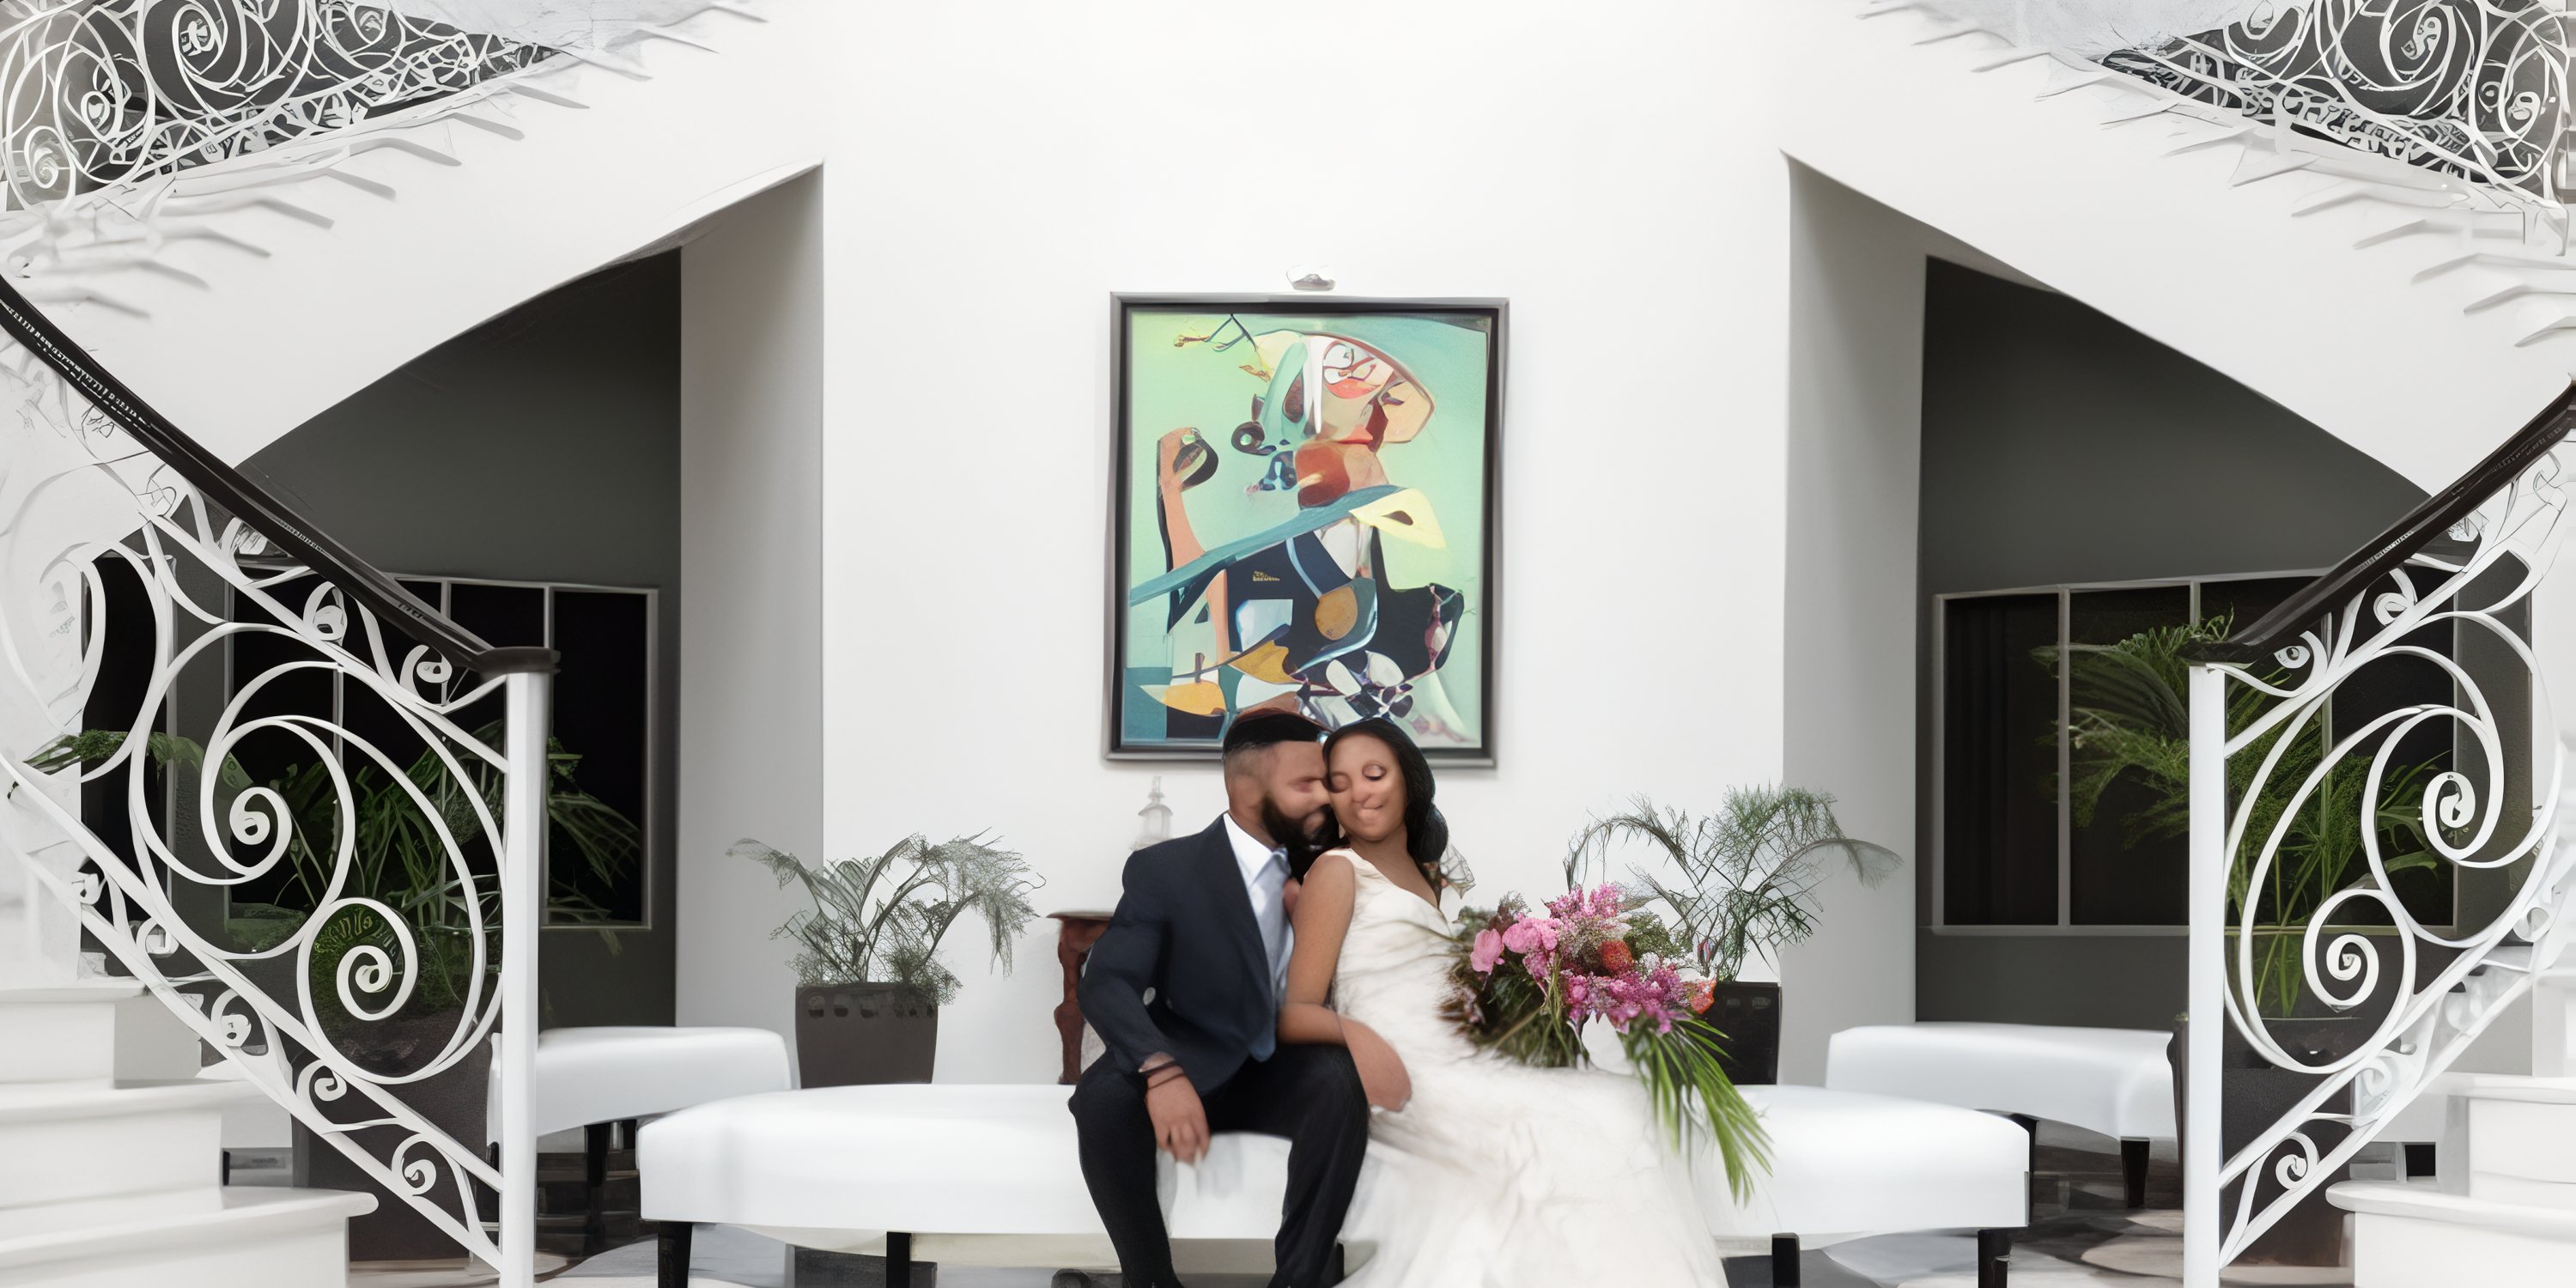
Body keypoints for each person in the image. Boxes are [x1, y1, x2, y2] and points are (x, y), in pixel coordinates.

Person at [1278, 718, 1729, 1285]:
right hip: (1407, 1074)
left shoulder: (1428, 877)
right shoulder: (1335, 871)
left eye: (1373, 773)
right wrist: (1360, 1041)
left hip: (1462, 1056)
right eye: (1338, 783)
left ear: (1409, 781)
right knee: (1601, 1123)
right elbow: (1295, 1011)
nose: (1359, 793)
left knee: (1631, 1104)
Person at [1071, 711, 1373, 1288]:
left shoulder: (1334, 865)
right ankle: (1151, 1280)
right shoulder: (1166, 869)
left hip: (1282, 1063)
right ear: (1245, 786)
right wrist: (1160, 1072)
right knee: (1102, 1099)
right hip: (1187, 1049)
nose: (1327, 800)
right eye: (1306, 784)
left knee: (1338, 1081)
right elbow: (1107, 981)